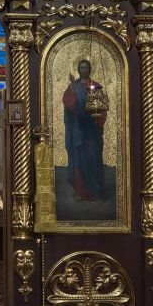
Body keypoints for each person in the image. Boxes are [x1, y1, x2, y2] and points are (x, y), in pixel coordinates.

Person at [62, 59, 106, 202]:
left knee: (93, 158)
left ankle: (95, 192)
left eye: (86, 67)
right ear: (78, 70)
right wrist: (73, 93)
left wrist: (99, 117)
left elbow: (102, 108)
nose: (84, 69)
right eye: (82, 67)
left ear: (90, 69)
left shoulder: (96, 86)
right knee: (78, 159)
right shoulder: (73, 86)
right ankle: (80, 192)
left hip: (92, 130)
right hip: (78, 129)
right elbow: (69, 105)